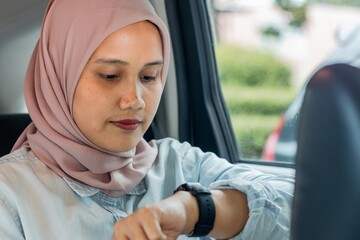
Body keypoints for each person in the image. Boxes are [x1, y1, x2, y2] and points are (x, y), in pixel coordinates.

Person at [0, 0, 294, 239]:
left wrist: (194, 210)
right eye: (110, 76)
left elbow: (298, 207)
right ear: (59, 77)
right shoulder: (9, 196)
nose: (136, 99)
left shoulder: (179, 164)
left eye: (149, 76)